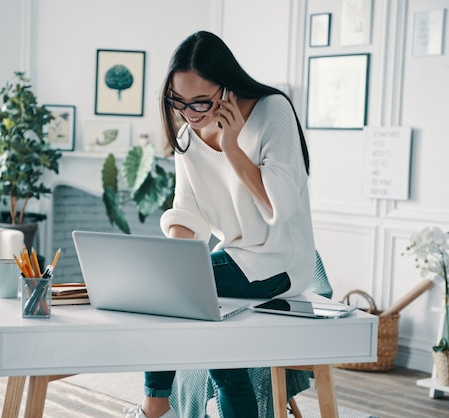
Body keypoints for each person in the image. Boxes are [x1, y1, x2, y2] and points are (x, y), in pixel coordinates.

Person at [124, 30, 315, 418]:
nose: (191, 114)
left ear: (226, 88)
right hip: (234, 259)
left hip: (279, 262)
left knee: (171, 291)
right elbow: (187, 212)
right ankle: (160, 406)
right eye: (179, 102)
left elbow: (280, 206)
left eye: (201, 102)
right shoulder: (187, 137)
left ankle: (154, 406)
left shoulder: (271, 110)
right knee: (221, 356)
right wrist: (174, 261)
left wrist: (232, 146)